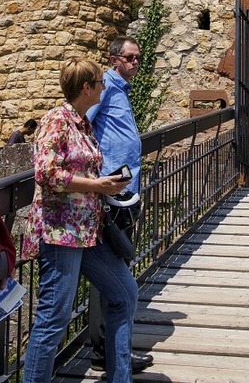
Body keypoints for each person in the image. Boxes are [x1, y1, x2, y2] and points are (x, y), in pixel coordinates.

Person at [22, 58, 138, 383]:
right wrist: (96, 185)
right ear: (87, 87)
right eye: (100, 82)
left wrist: (106, 186)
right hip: (61, 233)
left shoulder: (82, 123)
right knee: (53, 320)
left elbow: (82, 169)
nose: (104, 87)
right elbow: (45, 172)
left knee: (124, 294)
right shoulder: (56, 120)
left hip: (87, 231)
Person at [87, 36, 153, 375]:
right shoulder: (104, 88)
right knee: (112, 274)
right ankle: (106, 351)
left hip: (124, 193)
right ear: (113, 59)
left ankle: (111, 351)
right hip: (111, 195)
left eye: (138, 58)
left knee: (117, 270)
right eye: (130, 57)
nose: (135, 63)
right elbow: (82, 121)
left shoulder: (119, 89)